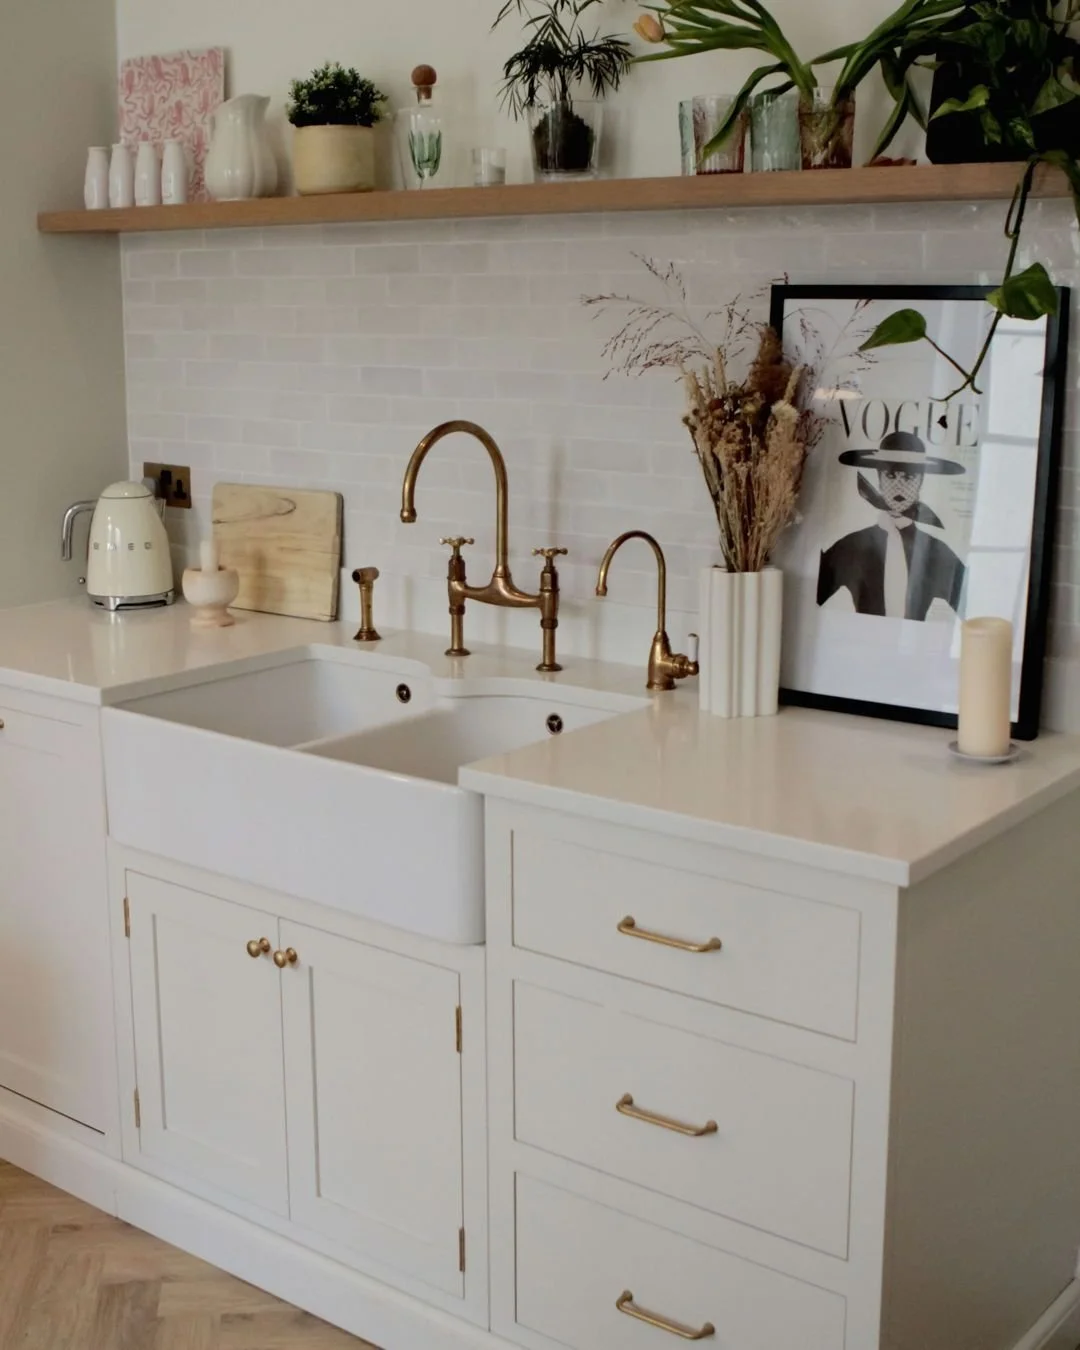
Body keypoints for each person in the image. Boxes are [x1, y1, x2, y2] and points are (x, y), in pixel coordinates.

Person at [817, 430, 966, 621]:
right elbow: (807, 606)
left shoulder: (937, 552)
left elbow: (974, 607)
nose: (899, 486)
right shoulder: (850, 546)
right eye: (890, 475)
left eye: (909, 477)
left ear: (921, 482)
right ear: (879, 479)